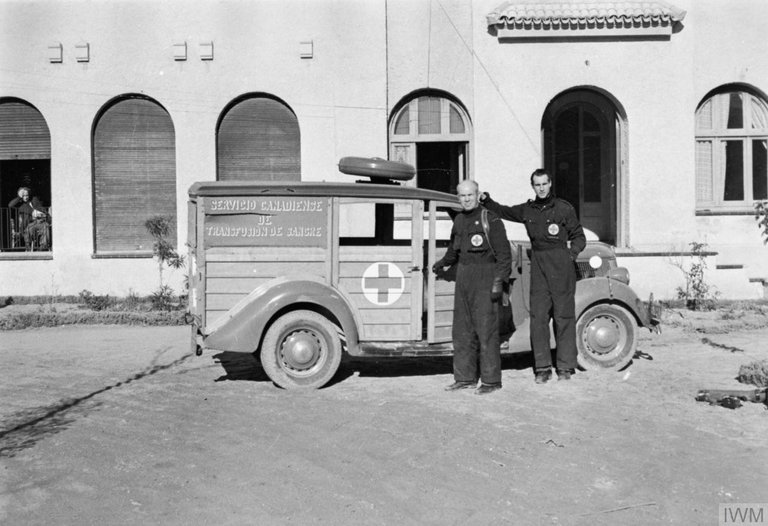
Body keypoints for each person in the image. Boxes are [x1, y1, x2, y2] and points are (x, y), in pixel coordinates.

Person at [480, 169, 586, 383]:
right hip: (538, 264)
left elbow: (579, 237)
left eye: (544, 184)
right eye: (537, 184)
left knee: (564, 316)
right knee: (538, 317)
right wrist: (487, 200)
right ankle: (543, 367)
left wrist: (570, 255)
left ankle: (565, 367)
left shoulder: (564, 208)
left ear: (550, 184)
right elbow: (504, 211)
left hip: (561, 265)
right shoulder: (527, 210)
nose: (541, 188)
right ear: (533, 186)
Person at [433, 180, 512, 395]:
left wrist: (499, 281)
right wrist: (443, 263)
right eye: (462, 196)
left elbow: (505, 255)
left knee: (486, 331)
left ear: (477, 195)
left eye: (470, 195)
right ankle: (465, 377)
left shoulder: (490, 219)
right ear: (457, 198)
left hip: (486, 277)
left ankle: (491, 380)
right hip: (464, 277)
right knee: (462, 330)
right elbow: (454, 249)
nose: (466, 199)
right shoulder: (459, 220)